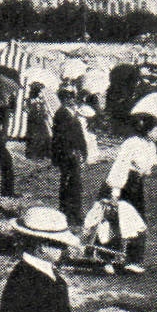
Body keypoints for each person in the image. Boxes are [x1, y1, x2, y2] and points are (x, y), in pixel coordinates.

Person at [105, 114, 157, 273]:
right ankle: (108, 258)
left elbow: (148, 169)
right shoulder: (131, 143)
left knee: (137, 221)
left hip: (137, 187)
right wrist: (115, 192)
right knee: (115, 219)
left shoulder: (152, 146)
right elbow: (120, 166)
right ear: (148, 130)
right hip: (124, 184)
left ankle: (133, 260)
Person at [50, 87, 88, 226]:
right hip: (67, 154)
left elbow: (79, 134)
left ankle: (73, 213)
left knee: (74, 184)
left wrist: (83, 151)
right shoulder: (62, 114)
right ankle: (69, 214)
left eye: (73, 97)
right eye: (69, 97)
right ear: (64, 99)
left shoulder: (70, 113)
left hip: (73, 153)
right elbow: (62, 137)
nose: (72, 99)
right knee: (70, 184)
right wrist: (71, 152)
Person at [24, 83, 52, 161]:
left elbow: (43, 110)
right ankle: (34, 155)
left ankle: (43, 154)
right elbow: (30, 111)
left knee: (43, 137)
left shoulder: (40, 100)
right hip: (34, 121)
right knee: (35, 137)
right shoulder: (30, 100)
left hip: (40, 120)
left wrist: (44, 113)